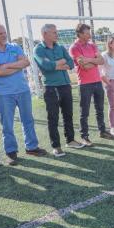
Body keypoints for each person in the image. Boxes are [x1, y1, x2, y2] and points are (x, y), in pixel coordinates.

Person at [0, 24, 47, 166]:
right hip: (3, 93)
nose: (4, 35)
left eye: (4, 32)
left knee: (28, 120)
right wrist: (16, 65)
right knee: (7, 124)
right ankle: (11, 152)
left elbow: (26, 62)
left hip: (23, 90)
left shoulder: (14, 46)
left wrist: (6, 66)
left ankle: (31, 147)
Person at [34, 24, 85, 158]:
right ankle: (56, 146)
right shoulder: (38, 49)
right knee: (53, 118)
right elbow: (46, 66)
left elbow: (71, 64)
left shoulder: (60, 47)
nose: (57, 34)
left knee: (68, 115)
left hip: (65, 85)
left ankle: (70, 140)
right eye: (54, 32)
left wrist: (56, 63)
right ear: (45, 34)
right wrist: (60, 63)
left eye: (56, 32)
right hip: (51, 88)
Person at [69, 23, 114, 146]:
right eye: (87, 33)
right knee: (84, 112)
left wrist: (89, 60)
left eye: (89, 32)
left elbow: (101, 60)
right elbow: (84, 67)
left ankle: (102, 131)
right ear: (79, 34)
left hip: (97, 81)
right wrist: (93, 62)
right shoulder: (74, 47)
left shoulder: (92, 45)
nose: (89, 35)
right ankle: (84, 136)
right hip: (84, 84)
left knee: (100, 108)